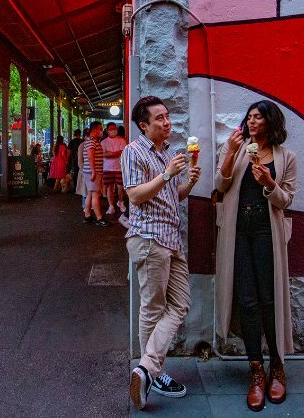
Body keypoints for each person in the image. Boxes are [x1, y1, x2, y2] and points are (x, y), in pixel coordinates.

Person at [214, 100, 296, 412]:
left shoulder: (285, 157)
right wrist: (231, 154)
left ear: (271, 122)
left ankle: (277, 366)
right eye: (249, 117)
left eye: (258, 117)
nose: (251, 122)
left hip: (265, 231)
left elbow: (286, 198)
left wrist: (269, 183)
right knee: (246, 300)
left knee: (269, 300)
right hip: (238, 231)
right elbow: (219, 185)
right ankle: (256, 370)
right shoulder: (233, 148)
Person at [123, 96, 201, 410]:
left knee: (180, 304)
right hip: (149, 239)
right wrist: (167, 175)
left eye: (167, 117)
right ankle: (153, 371)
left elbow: (171, 198)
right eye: (159, 119)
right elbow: (136, 196)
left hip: (171, 239)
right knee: (152, 309)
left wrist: (188, 184)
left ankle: (146, 369)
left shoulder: (167, 152)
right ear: (144, 125)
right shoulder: (134, 151)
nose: (167, 123)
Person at [82, 122, 108, 226]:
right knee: (96, 194)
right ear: (95, 129)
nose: (102, 131)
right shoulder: (91, 142)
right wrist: (93, 171)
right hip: (93, 172)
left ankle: (87, 215)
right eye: (100, 129)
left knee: (90, 193)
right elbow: (90, 157)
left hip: (91, 172)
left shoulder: (92, 141)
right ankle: (99, 218)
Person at [100, 122, 127, 215]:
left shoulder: (122, 140)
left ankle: (120, 202)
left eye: (115, 129)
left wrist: (109, 153)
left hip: (119, 168)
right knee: (109, 188)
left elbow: (122, 152)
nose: (113, 131)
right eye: (111, 129)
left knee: (121, 187)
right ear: (107, 131)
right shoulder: (103, 142)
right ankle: (111, 206)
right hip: (107, 168)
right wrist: (115, 153)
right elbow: (103, 154)